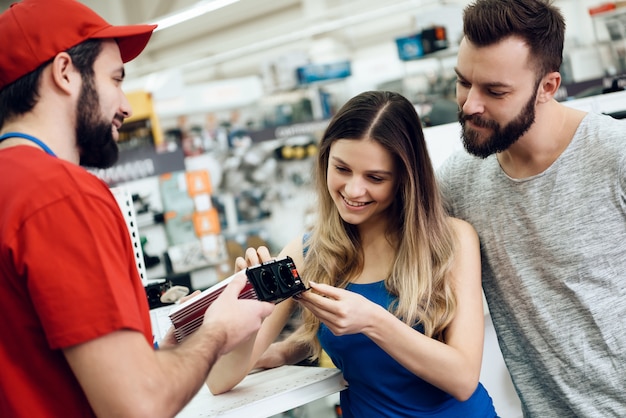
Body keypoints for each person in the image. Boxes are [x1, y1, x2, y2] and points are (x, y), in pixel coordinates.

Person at [0, 1, 274, 417]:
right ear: (64, 72)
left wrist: (161, 358)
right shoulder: (63, 194)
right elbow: (137, 407)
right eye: (115, 79)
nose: (126, 106)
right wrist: (217, 331)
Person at [206, 91, 498, 417]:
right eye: (342, 169)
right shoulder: (307, 254)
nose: (353, 190)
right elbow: (219, 382)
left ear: (404, 178)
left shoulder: (451, 240)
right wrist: (250, 312)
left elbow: (462, 378)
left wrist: (372, 321)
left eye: (375, 178)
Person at [436, 0, 626, 416]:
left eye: (495, 91)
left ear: (548, 86)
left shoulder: (616, 155)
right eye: (463, 82)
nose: (470, 104)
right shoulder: (457, 182)